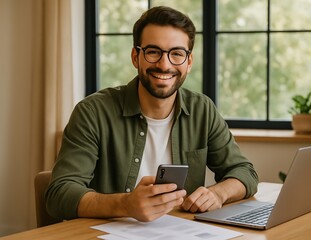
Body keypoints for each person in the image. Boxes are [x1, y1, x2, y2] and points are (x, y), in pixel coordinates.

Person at [45, 6, 258, 222]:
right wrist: (125, 205)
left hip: (182, 234)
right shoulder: (92, 112)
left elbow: (244, 172)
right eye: (153, 52)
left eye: (176, 53)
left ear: (189, 62)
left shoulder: (202, 110)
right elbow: (59, 194)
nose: (164, 65)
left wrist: (217, 194)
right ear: (136, 57)